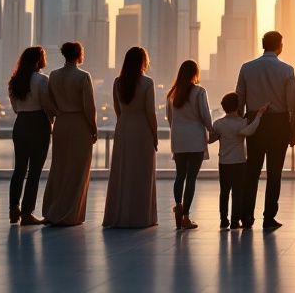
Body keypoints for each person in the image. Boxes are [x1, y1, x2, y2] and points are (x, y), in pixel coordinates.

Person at [236, 31, 295, 230]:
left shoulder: (247, 68)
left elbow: (239, 99)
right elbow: (292, 105)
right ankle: (269, 217)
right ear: (279, 46)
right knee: (274, 173)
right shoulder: (287, 70)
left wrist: (241, 124)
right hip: (279, 124)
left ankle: (246, 216)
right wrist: (293, 130)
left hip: (254, 122)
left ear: (263, 45)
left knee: (252, 171)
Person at [42, 42, 97, 226]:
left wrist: (57, 114)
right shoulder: (83, 76)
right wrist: (93, 128)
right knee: (78, 169)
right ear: (79, 54)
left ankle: (53, 209)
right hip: (79, 124)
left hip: (61, 123)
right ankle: (71, 213)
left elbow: (48, 102)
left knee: (60, 167)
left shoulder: (54, 75)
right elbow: (89, 107)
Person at [104, 47, 159, 229]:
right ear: (143, 61)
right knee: (142, 172)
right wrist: (154, 134)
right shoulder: (147, 83)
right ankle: (140, 216)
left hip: (124, 127)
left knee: (123, 170)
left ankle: (119, 214)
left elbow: (117, 109)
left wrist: (124, 121)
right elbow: (150, 112)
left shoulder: (118, 82)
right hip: (142, 128)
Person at [7, 46, 55, 226]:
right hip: (38, 123)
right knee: (34, 171)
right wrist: (52, 118)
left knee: (19, 168)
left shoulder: (14, 81)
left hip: (20, 123)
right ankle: (27, 213)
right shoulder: (42, 80)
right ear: (38, 60)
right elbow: (47, 105)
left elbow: (14, 107)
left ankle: (13, 208)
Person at [166, 60, 213, 230]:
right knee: (191, 178)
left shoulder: (172, 94)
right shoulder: (199, 92)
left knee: (180, 175)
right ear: (195, 73)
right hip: (195, 140)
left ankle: (178, 205)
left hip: (178, 139)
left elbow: (170, 119)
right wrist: (212, 130)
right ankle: (185, 216)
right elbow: (205, 115)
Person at [209, 93, 266, 229]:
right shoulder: (242, 123)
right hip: (239, 162)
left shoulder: (218, 124)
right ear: (237, 106)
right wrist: (259, 115)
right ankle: (235, 220)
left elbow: (210, 139)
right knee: (237, 192)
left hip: (224, 163)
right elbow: (251, 130)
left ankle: (223, 219)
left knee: (224, 192)